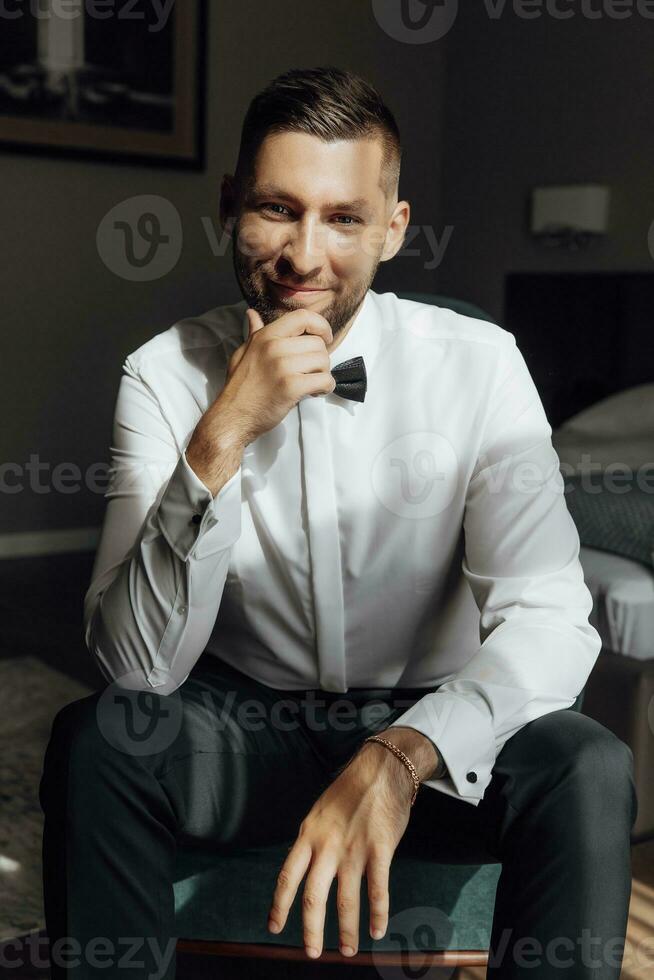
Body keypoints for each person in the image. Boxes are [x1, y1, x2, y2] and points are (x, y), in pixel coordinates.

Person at [39, 66, 637, 979]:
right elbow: (137, 666)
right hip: (242, 726)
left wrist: (402, 756)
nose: (304, 257)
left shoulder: (480, 367)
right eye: (278, 210)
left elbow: (550, 617)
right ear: (230, 204)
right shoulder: (161, 375)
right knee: (97, 745)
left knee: (587, 768)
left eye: (344, 218)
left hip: (432, 730)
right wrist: (223, 430)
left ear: (393, 229)